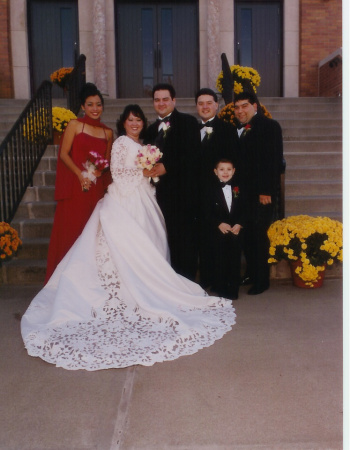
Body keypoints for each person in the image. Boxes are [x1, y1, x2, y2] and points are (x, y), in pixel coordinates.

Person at [21, 105, 236, 371]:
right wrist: (144, 172)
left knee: (149, 243)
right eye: (130, 120)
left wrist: (150, 172)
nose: (134, 123)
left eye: (138, 120)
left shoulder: (143, 143)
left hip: (143, 196)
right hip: (125, 200)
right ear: (123, 123)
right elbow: (119, 172)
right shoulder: (122, 142)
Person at [44, 83, 113, 283]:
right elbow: (64, 154)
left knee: (91, 235)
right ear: (83, 106)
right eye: (90, 104)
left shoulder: (108, 132)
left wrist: (98, 171)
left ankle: (89, 281)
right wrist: (79, 173)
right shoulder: (75, 125)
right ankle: (66, 280)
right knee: (72, 231)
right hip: (76, 187)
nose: (95, 108)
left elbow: (106, 163)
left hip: (95, 189)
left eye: (98, 104)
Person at [144, 83, 200, 281]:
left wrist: (167, 167)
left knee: (184, 239)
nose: (161, 103)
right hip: (159, 194)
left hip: (183, 193)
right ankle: (170, 281)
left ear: (174, 101)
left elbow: (193, 154)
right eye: (157, 99)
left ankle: (187, 281)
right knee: (164, 239)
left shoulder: (188, 123)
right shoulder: (149, 130)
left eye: (165, 99)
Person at [234, 91, 284, 295]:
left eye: (244, 106)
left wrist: (266, 190)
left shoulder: (269, 126)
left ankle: (262, 280)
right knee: (247, 235)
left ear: (255, 106)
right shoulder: (239, 129)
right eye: (237, 107)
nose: (240, 110)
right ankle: (252, 273)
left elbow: (273, 161)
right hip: (243, 193)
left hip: (261, 194)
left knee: (258, 237)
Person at [195, 88, 239, 288]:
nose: (205, 107)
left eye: (208, 103)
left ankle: (222, 281)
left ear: (216, 105)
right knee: (203, 238)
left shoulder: (227, 129)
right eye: (201, 103)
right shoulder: (192, 130)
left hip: (219, 193)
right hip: (198, 194)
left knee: (219, 239)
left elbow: (233, 161)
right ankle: (207, 280)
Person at [203, 159, 244, 300]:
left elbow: (245, 209)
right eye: (222, 169)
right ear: (215, 172)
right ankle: (220, 287)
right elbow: (206, 211)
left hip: (235, 231)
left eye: (228, 169)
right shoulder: (210, 189)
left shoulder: (238, 188)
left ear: (234, 171)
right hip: (218, 231)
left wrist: (240, 224)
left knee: (234, 260)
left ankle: (233, 289)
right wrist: (218, 223)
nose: (225, 172)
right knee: (219, 259)